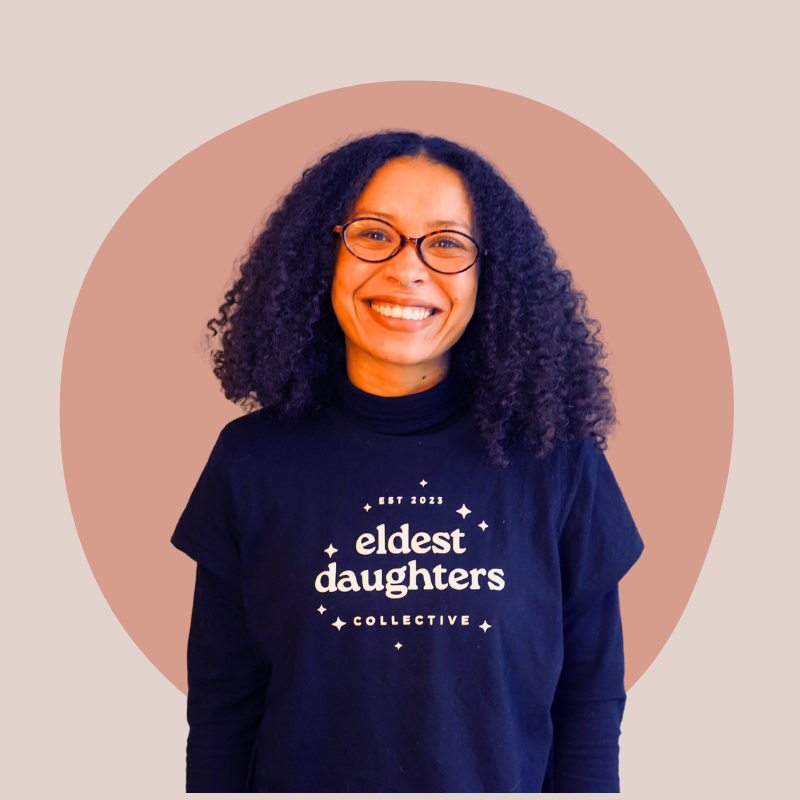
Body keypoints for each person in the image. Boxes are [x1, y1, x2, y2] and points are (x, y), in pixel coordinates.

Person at [171, 131, 644, 792]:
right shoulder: (250, 462)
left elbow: (589, 710)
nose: (407, 270)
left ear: (490, 276)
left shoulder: (560, 463)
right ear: (323, 255)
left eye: (446, 243)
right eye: (373, 235)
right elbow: (222, 712)